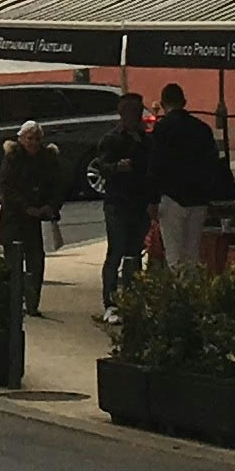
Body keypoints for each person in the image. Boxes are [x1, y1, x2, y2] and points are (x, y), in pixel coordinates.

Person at [142, 85, 235, 271]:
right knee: (192, 252)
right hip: (198, 197)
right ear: (184, 102)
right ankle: (192, 289)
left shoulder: (162, 129)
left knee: (175, 253)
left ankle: (181, 293)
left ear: (162, 103)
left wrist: (152, 200)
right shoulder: (201, 128)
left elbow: (155, 165)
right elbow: (212, 162)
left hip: (172, 197)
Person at [88, 100, 156, 316]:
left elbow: (152, 169)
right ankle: (110, 302)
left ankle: (133, 298)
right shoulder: (111, 139)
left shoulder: (146, 140)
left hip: (140, 202)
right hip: (117, 202)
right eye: (129, 113)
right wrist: (118, 167)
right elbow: (101, 168)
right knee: (116, 251)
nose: (133, 118)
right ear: (121, 115)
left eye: (136, 113)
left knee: (134, 253)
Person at [0, 117, 67, 314]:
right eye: (29, 138)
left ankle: (33, 302)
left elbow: (58, 185)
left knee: (37, 261)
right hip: (15, 219)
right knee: (13, 265)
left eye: (36, 139)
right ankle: (14, 302)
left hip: (38, 221)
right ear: (21, 139)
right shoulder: (12, 158)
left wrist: (50, 207)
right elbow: (6, 188)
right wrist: (26, 207)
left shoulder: (48, 159)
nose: (33, 143)